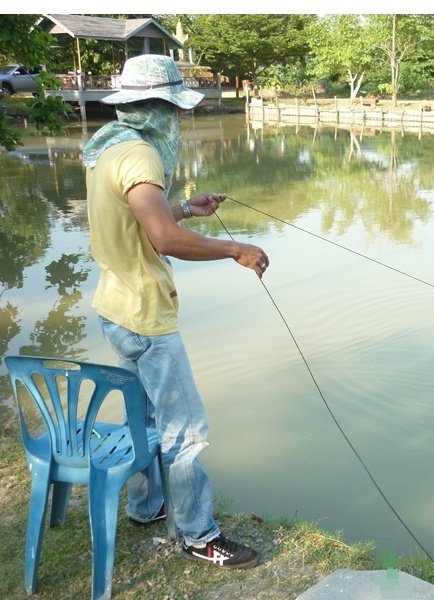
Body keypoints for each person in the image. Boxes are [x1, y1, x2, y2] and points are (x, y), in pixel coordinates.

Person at [82, 54, 268, 569]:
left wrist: (187, 206)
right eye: (176, 111)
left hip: (114, 307)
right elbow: (163, 239)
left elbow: (135, 220)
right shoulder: (141, 155)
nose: (179, 122)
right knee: (184, 430)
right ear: (159, 108)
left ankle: (145, 507)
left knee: (141, 417)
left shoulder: (106, 148)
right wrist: (236, 249)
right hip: (146, 314)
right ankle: (199, 535)